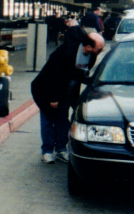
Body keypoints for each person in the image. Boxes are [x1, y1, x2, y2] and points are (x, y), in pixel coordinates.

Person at [30, 26, 104, 164]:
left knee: (62, 120)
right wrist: (53, 98)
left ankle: (61, 149)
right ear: (88, 46)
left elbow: (79, 75)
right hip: (46, 90)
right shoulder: (64, 53)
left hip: (65, 91)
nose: (101, 51)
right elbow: (53, 76)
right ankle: (47, 151)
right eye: (99, 48)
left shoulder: (91, 56)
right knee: (48, 121)